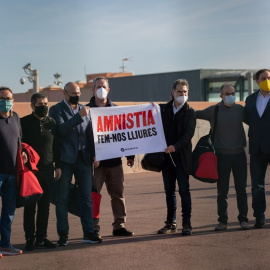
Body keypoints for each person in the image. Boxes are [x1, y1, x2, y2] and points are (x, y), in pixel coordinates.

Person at [49, 82, 101, 245]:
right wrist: (79, 117)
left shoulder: (84, 109)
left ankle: (88, 232)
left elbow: (90, 134)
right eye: (73, 93)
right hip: (65, 160)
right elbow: (61, 130)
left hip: (83, 159)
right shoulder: (56, 110)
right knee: (62, 198)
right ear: (64, 94)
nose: (76, 95)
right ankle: (63, 234)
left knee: (86, 197)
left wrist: (95, 154)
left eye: (78, 92)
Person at [86, 76, 135, 238]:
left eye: (104, 86)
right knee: (94, 195)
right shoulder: (86, 111)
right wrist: (93, 155)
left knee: (118, 195)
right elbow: (84, 137)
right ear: (93, 90)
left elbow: (125, 134)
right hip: (96, 163)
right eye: (98, 86)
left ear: (108, 89)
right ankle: (93, 228)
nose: (101, 89)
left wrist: (130, 155)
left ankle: (119, 226)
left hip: (114, 161)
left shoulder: (117, 110)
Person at [196, 83, 249, 231]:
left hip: (239, 155)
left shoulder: (241, 110)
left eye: (232, 93)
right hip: (221, 156)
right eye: (227, 94)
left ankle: (243, 219)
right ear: (221, 96)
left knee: (242, 190)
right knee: (222, 192)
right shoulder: (214, 110)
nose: (230, 96)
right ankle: (223, 221)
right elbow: (194, 113)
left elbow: (256, 121)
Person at [21, 93, 61, 251]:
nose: (44, 107)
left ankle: (41, 238)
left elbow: (56, 146)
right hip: (30, 172)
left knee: (45, 206)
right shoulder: (23, 123)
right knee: (30, 206)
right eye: (40, 104)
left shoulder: (51, 123)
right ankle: (29, 238)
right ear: (32, 106)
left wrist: (57, 166)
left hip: (48, 170)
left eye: (45, 103)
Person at [157, 79, 196, 236]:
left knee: (184, 191)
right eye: (180, 92)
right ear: (173, 93)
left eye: (185, 92)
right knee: (169, 191)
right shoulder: (162, 109)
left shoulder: (190, 112)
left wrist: (176, 147)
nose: (183, 95)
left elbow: (189, 135)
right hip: (166, 159)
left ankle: (186, 224)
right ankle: (171, 223)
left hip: (182, 158)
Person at [0, 86, 24, 256]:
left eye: (8, 98)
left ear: (13, 101)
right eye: (2, 98)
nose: (6, 102)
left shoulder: (16, 117)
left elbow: (19, 141)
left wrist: (22, 152)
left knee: (8, 212)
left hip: (11, 173)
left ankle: (5, 244)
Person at [245, 69, 270, 229]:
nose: (267, 80)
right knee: (257, 185)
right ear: (256, 81)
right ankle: (259, 216)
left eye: (269, 78)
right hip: (257, 148)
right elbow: (249, 119)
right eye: (264, 78)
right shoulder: (250, 99)